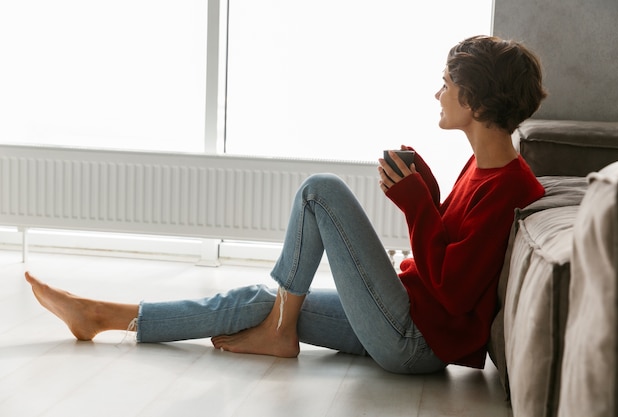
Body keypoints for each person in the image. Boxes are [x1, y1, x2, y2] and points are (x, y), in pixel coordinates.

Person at [25, 35, 547, 374]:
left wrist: (416, 207)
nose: (438, 94)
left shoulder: (510, 187)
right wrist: (429, 194)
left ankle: (280, 333)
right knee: (264, 297)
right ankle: (105, 315)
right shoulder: (484, 167)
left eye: (448, 84)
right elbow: (451, 252)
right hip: (408, 320)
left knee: (321, 190)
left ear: (475, 101)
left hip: (415, 340)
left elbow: (453, 292)